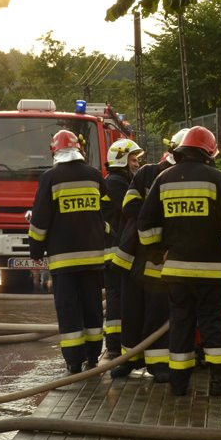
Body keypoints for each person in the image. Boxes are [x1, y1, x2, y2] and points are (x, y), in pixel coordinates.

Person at [137, 126, 221, 396]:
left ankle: (178, 384)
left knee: (181, 325)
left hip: (176, 272)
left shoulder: (164, 179)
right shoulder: (216, 179)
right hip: (213, 273)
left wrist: (155, 253)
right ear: (209, 152)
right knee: (214, 326)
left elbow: (145, 224)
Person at [109, 128, 189, 381]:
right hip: (133, 255)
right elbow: (129, 205)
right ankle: (128, 360)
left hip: (159, 259)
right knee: (131, 310)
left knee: (158, 311)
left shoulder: (187, 178)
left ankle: (158, 365)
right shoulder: (147, 173)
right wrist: (155, 215)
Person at [28, 130, 108, 374]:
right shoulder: (95, 176)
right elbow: (106, 211)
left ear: (55, 151)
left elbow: (40, 220)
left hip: (64, 261)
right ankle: (94, 356)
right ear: (79, 150)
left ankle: (74, 362)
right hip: (94, 258)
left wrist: (36, 251)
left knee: (69, 309)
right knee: (93, 307)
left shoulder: (50, 178)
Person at [101, 138, 144, 360]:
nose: (136, 164)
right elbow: (131, 209)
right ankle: (115, 346)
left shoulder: (121, 179)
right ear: (121, 159)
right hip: (115, 252)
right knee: (117, 299)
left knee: (120, 297)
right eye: (133, 159)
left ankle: (117, 344)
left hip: (119, 251)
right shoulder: (116, 182)